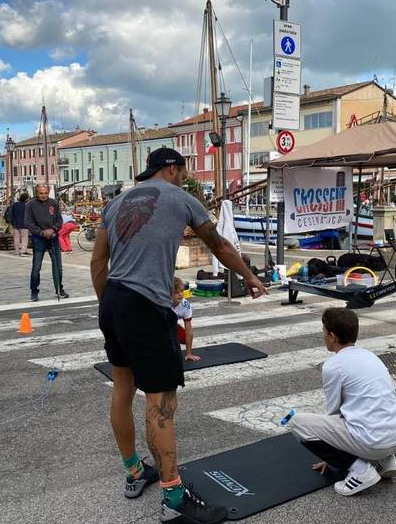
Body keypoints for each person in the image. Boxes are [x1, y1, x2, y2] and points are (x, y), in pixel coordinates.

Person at [89, 147, 267, 524]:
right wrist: (249, 276)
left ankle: (135, 471)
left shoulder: (116, 201)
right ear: (171, 169)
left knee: (123, 388)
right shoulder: (183, 198)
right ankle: (173, 495)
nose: (186, 177)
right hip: (146, 304)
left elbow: (97, 262)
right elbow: (218, 245)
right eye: (184, 170)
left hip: (114, 299)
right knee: (160, 401)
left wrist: (108, 306)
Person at [289, 308, 396, 496]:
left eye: (323, 332)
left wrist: (331, 453)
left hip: (375, 443)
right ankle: (387, 462)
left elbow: (333, 411)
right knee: (371, 412)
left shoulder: (333, 366)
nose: (323, 336)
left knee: (296, 422)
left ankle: (360, 471)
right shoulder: (370, 356)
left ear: (332, 336)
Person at [25, 184, 68, 301]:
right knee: (36, 268)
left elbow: (59, 220)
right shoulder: (30, 204)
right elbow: (28, 222)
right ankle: (34, 291)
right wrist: (41, 232)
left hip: (53, 238)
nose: (44, 195)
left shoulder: (54, 203)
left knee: (58, 267)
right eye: (41, 193)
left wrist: (53, 229)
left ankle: (59, 288)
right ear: (36, 193)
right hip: (39, 239)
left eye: (45, 193)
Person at [172, 278, 199, 362]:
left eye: (181, 291)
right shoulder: (161, 302)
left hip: (170, 322)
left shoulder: (185, 305)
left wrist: (188, 353)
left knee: (183, 337)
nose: (180, 294)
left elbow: (189, 330)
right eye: (176, 292)